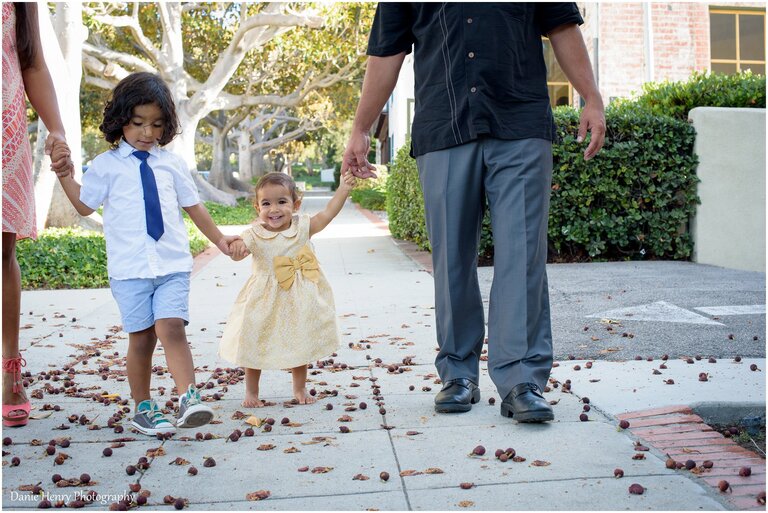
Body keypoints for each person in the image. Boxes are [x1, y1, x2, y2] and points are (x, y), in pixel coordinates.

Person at [342, 3, 605, 422]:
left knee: (522, 257)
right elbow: (387, 52)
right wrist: (360, 128)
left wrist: (591, 97)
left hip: (519, 122)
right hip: (444, 127)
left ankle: (522, 380)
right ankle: (458, 374)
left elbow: (562, 26)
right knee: (451, 260)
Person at [54, 72, 241, 436]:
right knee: (142, 338)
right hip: (130, 270)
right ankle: (143, 407)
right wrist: (65, 174)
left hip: (171, 266)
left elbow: (194, 207)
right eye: (138, 123)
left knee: (172, 328)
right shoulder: (106, 165)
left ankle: (189, 398)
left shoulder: (170, 164)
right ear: (120, 120)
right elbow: (84, 205)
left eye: (156, 124)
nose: (147, 133)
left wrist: (220, 240)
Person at [219, 171, 357, 407]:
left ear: (295, 204)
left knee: (299, 340)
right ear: (257, 207)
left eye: (282, 202)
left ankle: (299, 388)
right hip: (263, 299)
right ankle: (251, 392)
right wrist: (237, 249)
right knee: (254, 341)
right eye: (266, 203)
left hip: (298, 297)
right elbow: (237, 255)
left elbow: (327, 214)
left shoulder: (302, 227)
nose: (274, 209)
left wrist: (344, 188)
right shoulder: (253, 235)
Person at [2, 2, 74, 427]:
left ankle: (10, 369)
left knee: (0, 250)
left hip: (4, 136)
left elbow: (32, 64)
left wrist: (57, 128)